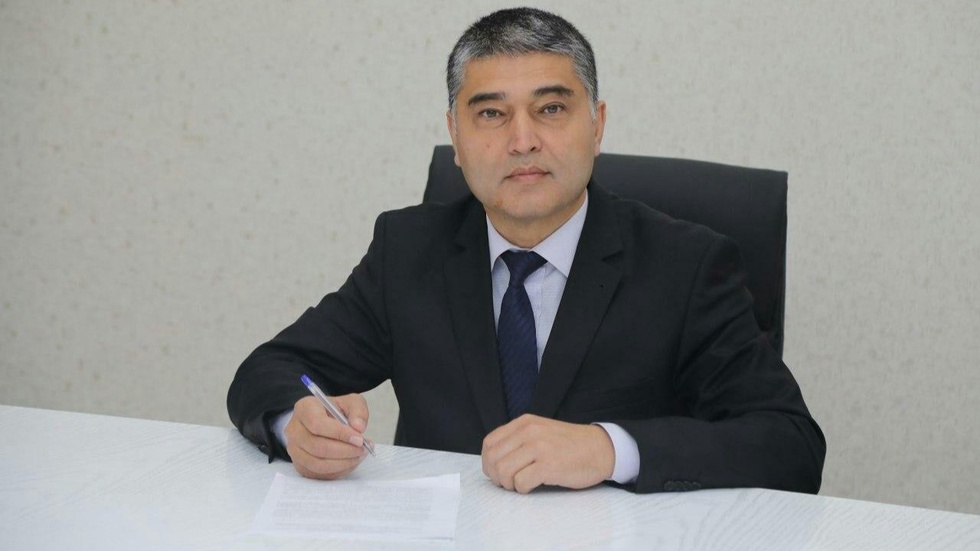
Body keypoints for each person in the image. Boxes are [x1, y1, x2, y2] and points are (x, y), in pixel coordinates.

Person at [227, 7, 826, 494]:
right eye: (491, 113)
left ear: (597, 124)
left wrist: (609, 448)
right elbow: (268, 371)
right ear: (455, 136)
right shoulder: (408, 251)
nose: (522, 140)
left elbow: (789, 444)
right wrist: (294, 423)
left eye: (551, 109)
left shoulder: (685, 266)